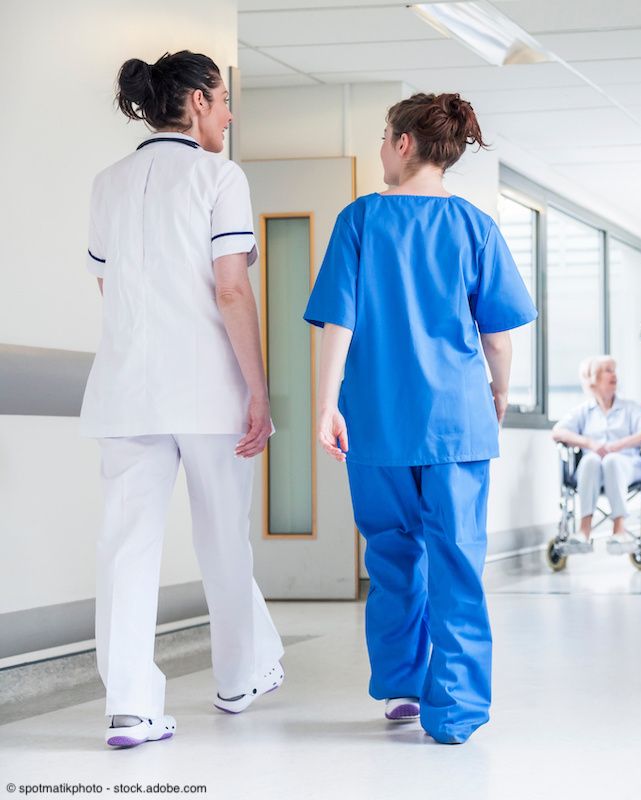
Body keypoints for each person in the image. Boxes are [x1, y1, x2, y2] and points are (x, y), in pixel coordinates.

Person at [304, 93, 535, 745]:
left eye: (383, 137)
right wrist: (497, 392)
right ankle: (455, 709)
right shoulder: (474, 226)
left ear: (405, 143)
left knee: (393, 553)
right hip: (456, 421)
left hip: (377, 419)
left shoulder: (360, 220)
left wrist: (327, 406)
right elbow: (498, 335)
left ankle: (403, 686)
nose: (380, 148)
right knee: (457, 558)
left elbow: (339, 321)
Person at [82, 51, 284, 749]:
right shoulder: (217, 176)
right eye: (224, 99)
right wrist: (258, 388)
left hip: (125, 390)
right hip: (206, 388)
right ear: (197, 101)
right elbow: (231, 288)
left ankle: (131, 708)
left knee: (126, 548)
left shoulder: (108, 183)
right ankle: (239, 676)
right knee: (223, 535)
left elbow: (110, 291)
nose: (229, 115)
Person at [551, 356, 641, 551]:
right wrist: (589, 443)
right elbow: (558, 432)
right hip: (592, 472)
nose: (614, 374)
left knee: (611, 461)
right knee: (590, 460)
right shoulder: (585, 411)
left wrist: (617, 445)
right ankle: (584, 530)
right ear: (593, 378)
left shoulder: (630, 408)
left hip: (627, 466)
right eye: (608, 370)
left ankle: (620, 529)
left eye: (614, 370)